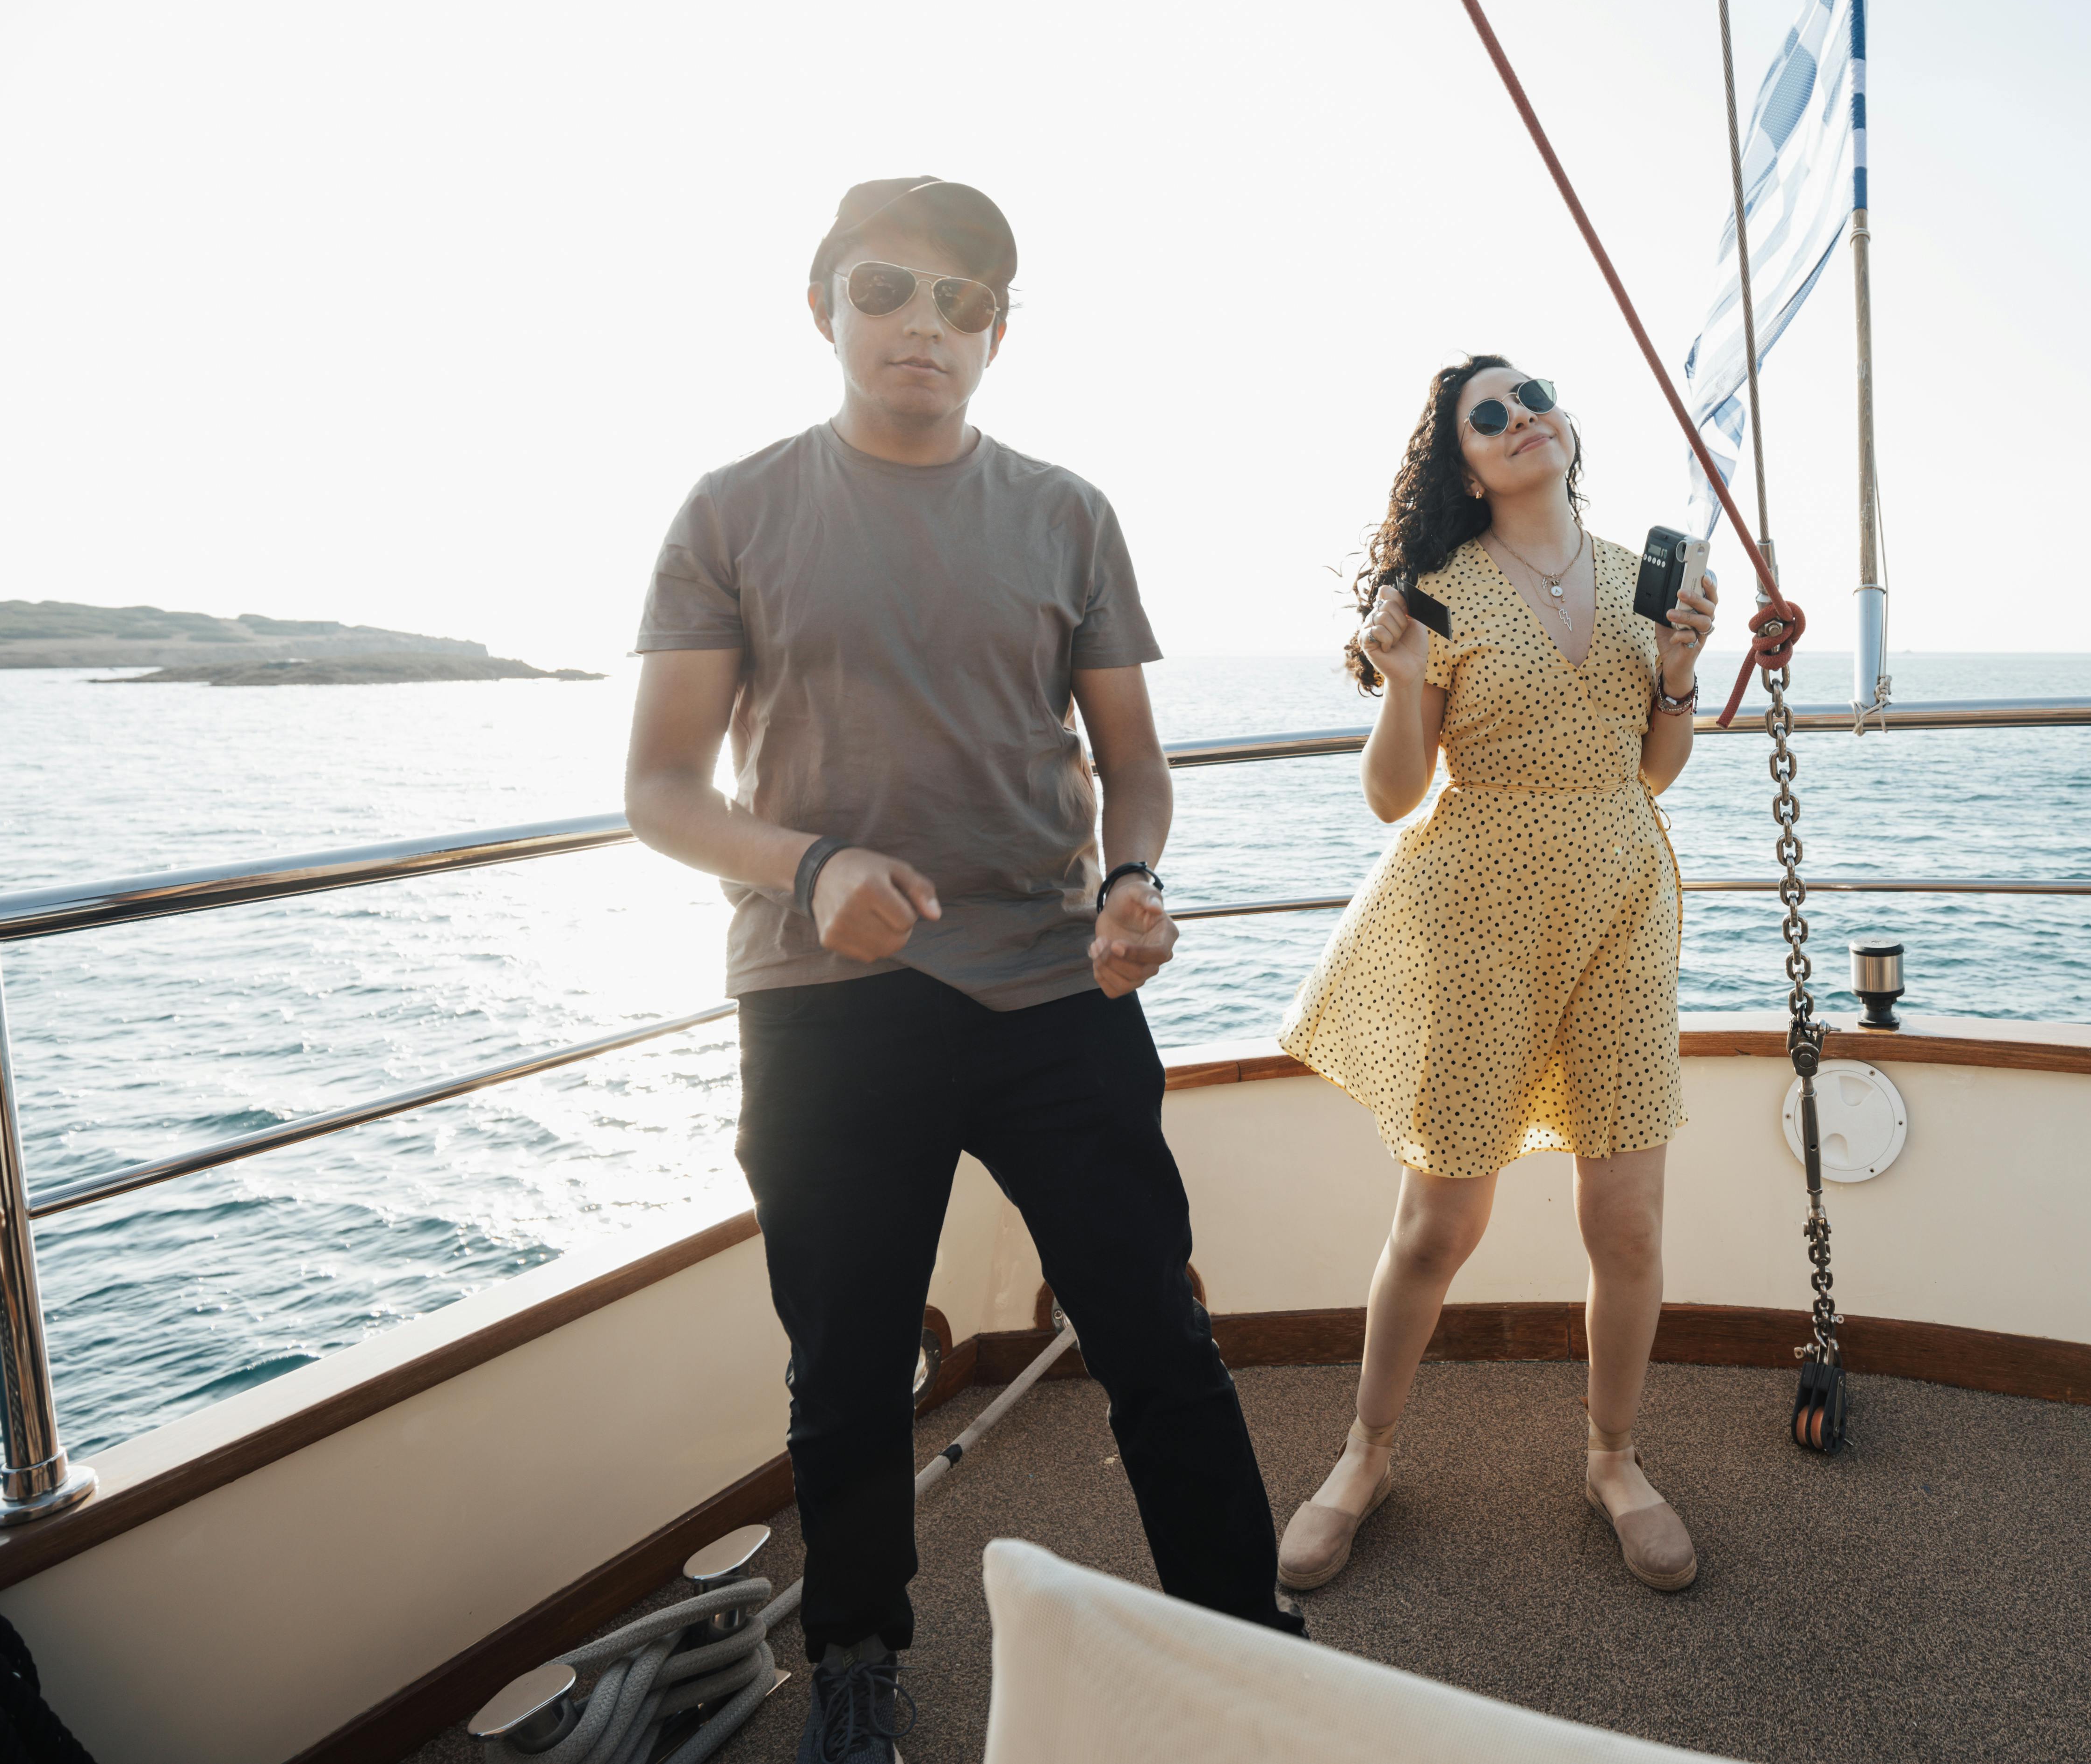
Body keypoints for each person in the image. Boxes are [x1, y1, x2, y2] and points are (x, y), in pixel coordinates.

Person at [623, 178, 1296, 1763]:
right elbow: (658, 789)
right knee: (848, 1360)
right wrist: (809, 866)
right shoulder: (732, 510)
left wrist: (1134, 880)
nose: (924, 323)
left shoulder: (1067, 513)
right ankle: (856, 1656)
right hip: (823, 996)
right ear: (823, 308)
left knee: (1154, 1328)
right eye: (887, 290)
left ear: (1001, 330)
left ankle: (1247, 1636)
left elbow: (1133, 761)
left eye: (963, 300)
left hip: (1055, 987)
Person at [1270, 354, 1719, 1596]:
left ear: (1564, 428)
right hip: (1478, 912)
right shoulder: (1439, 590)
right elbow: (1392, 795)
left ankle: (1614, 1460)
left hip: (1623, 903)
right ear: (1462, 462)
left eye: (1534, 397)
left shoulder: (1646, 579)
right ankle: (1363, 1455)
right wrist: (1406, 682)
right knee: (1438, 1222)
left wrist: (1678, 674)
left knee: (1623, 1217)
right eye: (1490, 414)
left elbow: (1650, 772)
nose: (1522, 417)